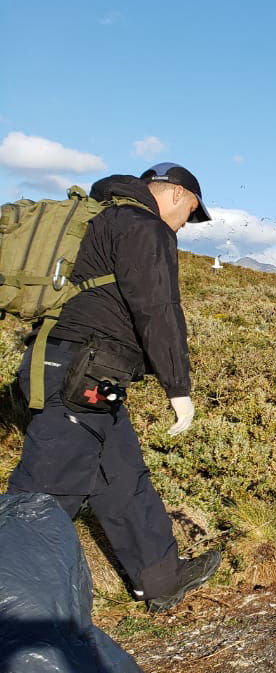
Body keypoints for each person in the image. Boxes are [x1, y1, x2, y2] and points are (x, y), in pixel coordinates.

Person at [7, 162, 221, 612]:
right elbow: (159, 309)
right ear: (180, 196)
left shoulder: (98, 216)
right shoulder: (146, 227)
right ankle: (19, 607)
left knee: (121, 474)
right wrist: (177, 387)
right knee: (46, 492)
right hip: (81, 371)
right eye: (191, 215)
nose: (185, 226)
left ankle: (160, 579)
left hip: (78, 369)